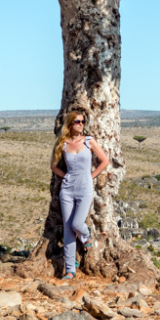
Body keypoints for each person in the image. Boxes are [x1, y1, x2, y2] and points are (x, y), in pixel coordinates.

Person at [50, 106, 109, 279]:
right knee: (68, 229)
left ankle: (86, 236)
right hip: (67, 189)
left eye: (83, 121)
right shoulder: (63, 143)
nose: (81, 124)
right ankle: (70, 270)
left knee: (77, 223)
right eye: (78, 121)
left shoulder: (89, 141)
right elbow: (54, 166)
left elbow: (104, 161)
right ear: (70, 124)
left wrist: (91, 176)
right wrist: (66, 176)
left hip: (85, 187)